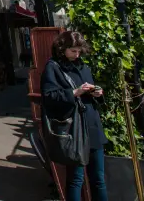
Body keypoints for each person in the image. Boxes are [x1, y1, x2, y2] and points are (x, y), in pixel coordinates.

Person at [41, 31, 108, 201]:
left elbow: (89, 89)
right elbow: (49, 97)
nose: (76, 54)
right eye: (73, 51)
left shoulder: (82, 65)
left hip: (92, 125)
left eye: (79, 51)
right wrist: (75, 92)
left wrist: (97, 92)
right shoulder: (53, 67)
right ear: (62, 49)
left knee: (99, 178)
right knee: (76, 179)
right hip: (75, 129)